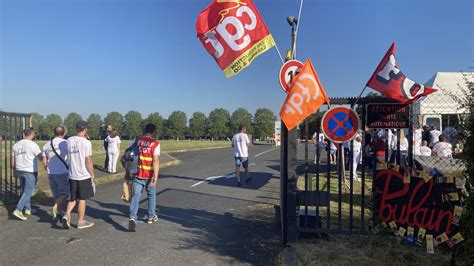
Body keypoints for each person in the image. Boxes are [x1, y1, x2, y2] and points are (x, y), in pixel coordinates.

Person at [62, 121, 95, 230]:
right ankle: (80, 221)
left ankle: (67, 214)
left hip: (72, 173)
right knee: (82, 199)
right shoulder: (86, 143)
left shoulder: (69, 140)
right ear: (85, 129)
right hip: (83, 174)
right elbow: (88, 160)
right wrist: (92, 174)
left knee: (73, 198)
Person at [129, 123, 160, 232]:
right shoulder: (155, 143)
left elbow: (130, 153)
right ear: (154, 131)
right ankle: (151, 216)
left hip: (137, 172)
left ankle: (133, 216)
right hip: (149, 173)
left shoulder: (136, 140)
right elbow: (155, 160)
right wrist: (155, 176)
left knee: (136, 195)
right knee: (151, 194)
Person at [12, 128, 43, 221]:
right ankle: (18, 209)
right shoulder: (33, 145)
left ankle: (28, 209)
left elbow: (13, 159)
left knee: (23, 190)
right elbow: (40, 157)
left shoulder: (16, 144)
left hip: (19, 169)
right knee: (28, 191)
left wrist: (14, 170)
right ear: (32, 134)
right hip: (29, 170)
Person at [42, 125, 69, 221]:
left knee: (56, 193)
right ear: (64, 133)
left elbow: (44, 161)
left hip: (51, 171)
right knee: (66, 192)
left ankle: (59, 212)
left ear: (54, 132)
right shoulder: (65, 143)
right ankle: (54, 208)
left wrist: (47, 169)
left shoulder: (47, 144)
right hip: (62, 171)